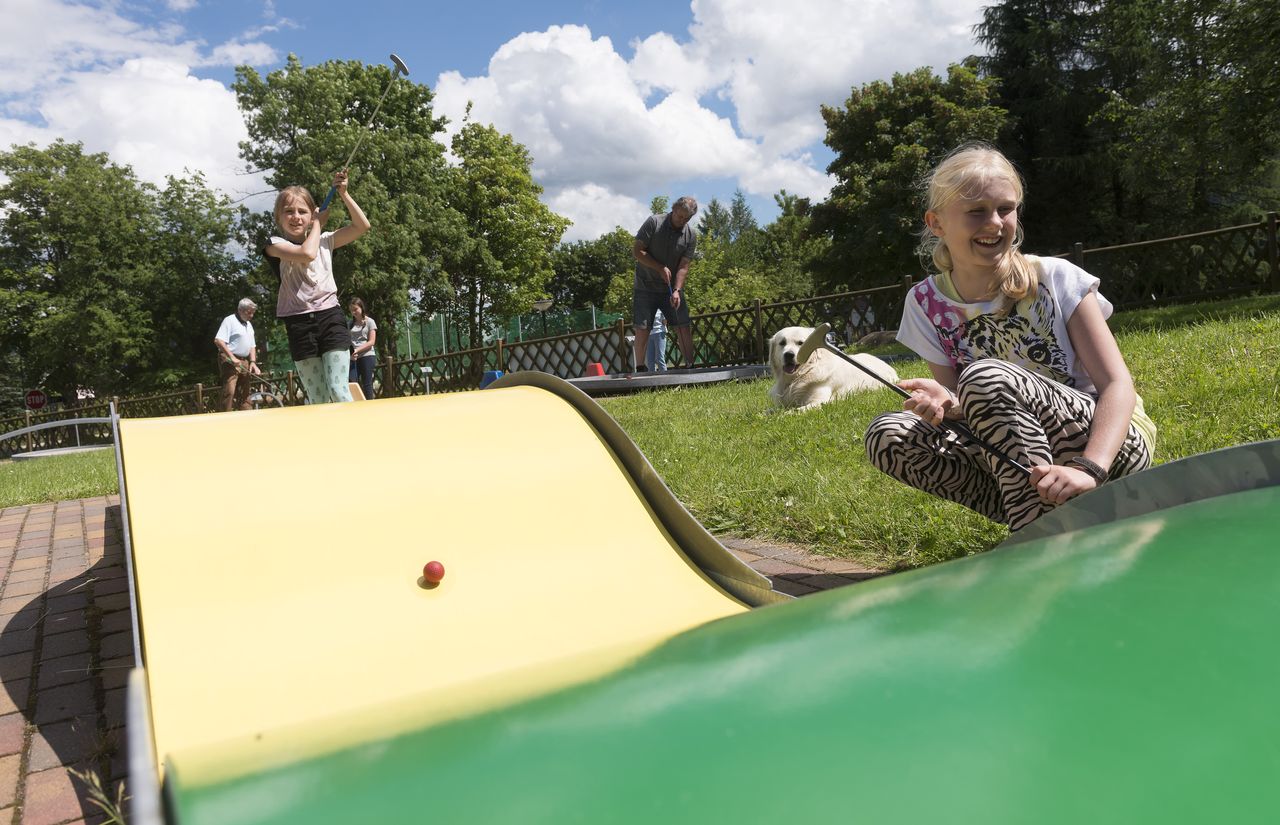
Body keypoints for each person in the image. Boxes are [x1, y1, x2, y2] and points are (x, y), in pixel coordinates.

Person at [864, 142, 1156, 531]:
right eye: (976, 212)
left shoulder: (1054, 278)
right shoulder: (924, 303)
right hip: (1018, 462)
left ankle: (1041, 538)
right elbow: (967, 411)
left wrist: (1091, 467)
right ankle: (1042, 518)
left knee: (984, 376)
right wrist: (947, 404)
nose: (995, 223)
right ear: (936, 224)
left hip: (1106, 449)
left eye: (1006, 208)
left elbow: (1118, 385)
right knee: (888, 434)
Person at [264, 170, 370, 404]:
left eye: (302, 211)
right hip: (299, 324)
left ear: (311, 215)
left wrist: (344, 194)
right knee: (318, 398)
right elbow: (307, 253)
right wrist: (317, 225)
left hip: (330, 319)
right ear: (278, 218)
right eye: (289, 212)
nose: (296, 217)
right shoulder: (274, 244)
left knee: (338, 389)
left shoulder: (325, 240)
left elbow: (362, 226)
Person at [632, 197, 698, 371]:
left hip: (670, 289)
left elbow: (684, 266)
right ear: (673, 209)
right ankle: (640, 368)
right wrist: (660, 268)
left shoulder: (690, 235)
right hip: (645, 286)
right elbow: (637, 251)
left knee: (682, 325)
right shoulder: (654, 222)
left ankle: (690, 367)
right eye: (680, 216)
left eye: (687, 218)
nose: (682, 221)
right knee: (643, 327)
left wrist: (677, 290)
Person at [213, 298, 261, 411]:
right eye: (249, 312)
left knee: (245, 390)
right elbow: (218, 340)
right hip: (229, 360)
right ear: (240, 310)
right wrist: (232, 358)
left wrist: (253, 362)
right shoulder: (229, 320)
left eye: (253, 312)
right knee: (230, 390)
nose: (252, 315)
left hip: (245, 360)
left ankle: (246, 416)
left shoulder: (248, 325)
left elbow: (252, 346)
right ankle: (225, 417)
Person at [348, 297, 378, 400]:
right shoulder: (350, 324)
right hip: (354, 358)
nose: (354, 312)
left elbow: (371, 342)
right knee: (352, 382)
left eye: (355, 309)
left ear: (361, 308)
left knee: (367, 383)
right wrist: (351, 352)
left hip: (367, 356)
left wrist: (358, 349)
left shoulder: (370, 322)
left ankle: (369, 407)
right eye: (352, 310)